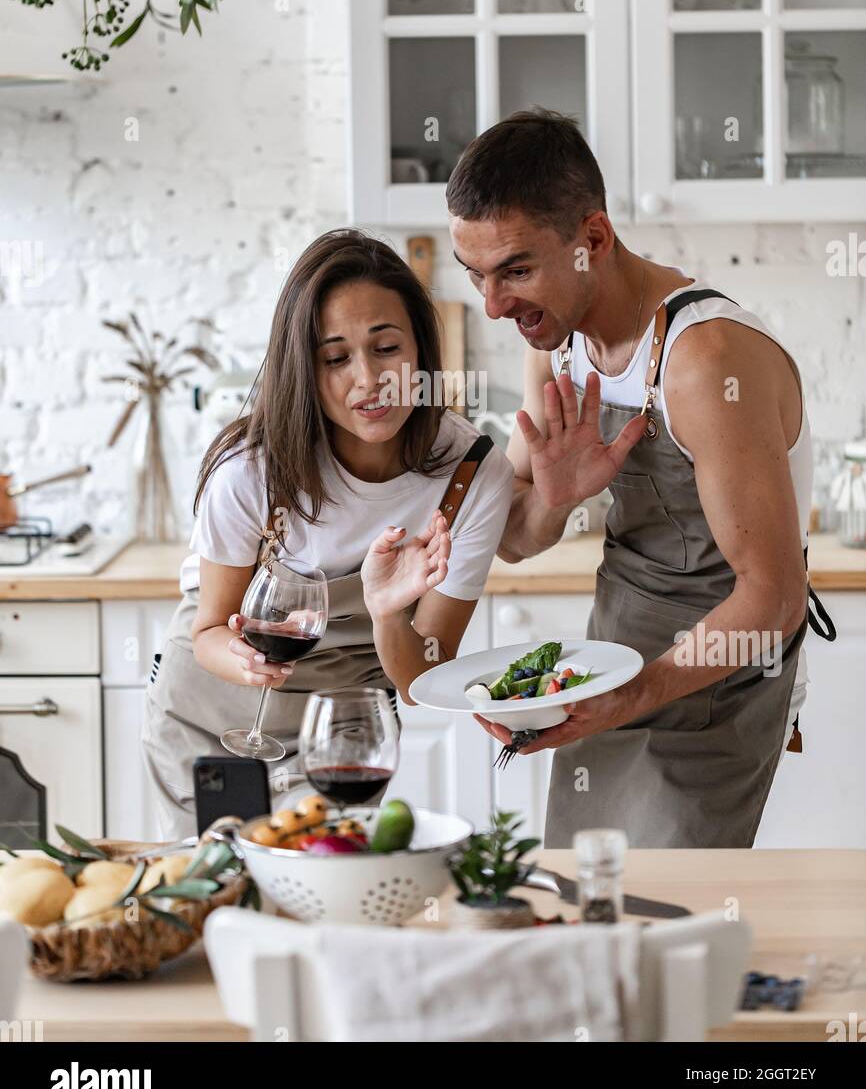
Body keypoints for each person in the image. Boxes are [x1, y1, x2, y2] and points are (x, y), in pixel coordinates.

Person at [446, 108, 831, 848]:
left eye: (516, 271)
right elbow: (520, 541)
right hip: (614, 652)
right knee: (587, 905)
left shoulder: (707, 360)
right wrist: (559, 501)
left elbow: (776, 599)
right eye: (478, 277)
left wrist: (633, 694)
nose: (494, 307)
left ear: (592, 239)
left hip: (720, 677)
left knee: (671, 917)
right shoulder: (555, 343)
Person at [142, 230, 513, 839]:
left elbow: (422, 681)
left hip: (342, 722)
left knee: (327, 884)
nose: (368, 380)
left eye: (386, 346)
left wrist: (389, 613)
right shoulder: (251, 472)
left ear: (420, 347)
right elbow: (210, 629)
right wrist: (243, 659)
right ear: (305, 370)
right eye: (335, 358)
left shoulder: (470, 475)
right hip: (211, 720)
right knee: (213, 898)